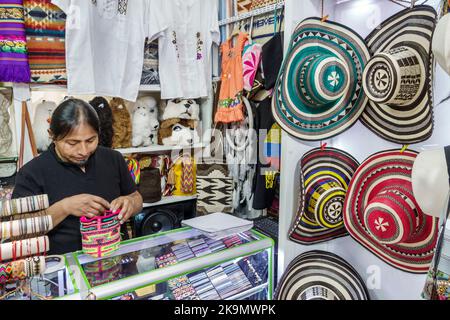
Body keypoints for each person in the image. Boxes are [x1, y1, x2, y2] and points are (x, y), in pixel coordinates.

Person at [12, 98, 143, 255]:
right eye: (72, 143)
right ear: (52, 135)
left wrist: (130, 203)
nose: (83, 151)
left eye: (90, 140)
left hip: (117, 257)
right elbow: (19, 231)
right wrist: (64, 207)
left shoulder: (113, 159)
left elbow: (137, 198)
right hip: (64, 268)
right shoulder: (32, 173)